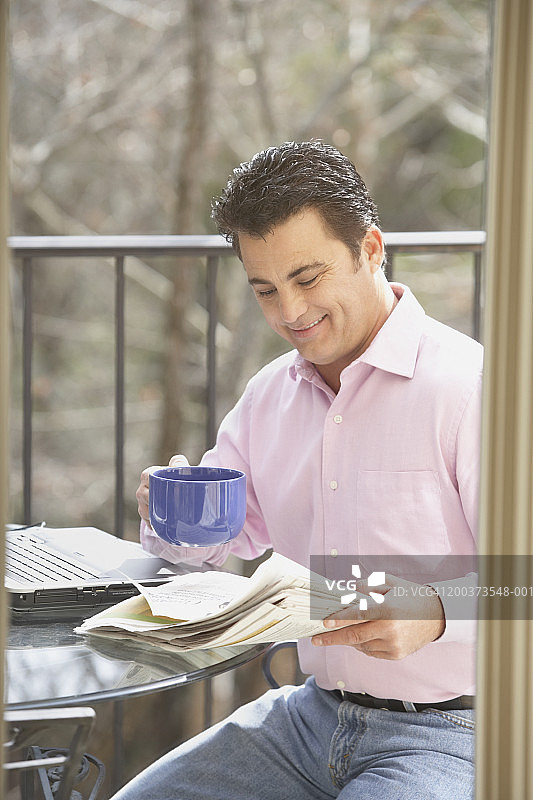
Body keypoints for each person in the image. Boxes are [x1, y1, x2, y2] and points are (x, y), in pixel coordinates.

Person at [115, 140, 481, 799]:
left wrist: (435, 608)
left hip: (457, 735)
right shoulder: (267, 396)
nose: (289, 312)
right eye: (265, 289)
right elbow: (217, 548)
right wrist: (170, 515)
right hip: (308, 719)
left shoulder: (469, 387)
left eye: (306, 279)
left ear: (370, 249)